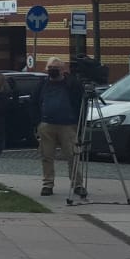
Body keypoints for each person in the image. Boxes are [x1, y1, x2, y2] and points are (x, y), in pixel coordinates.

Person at [34, 56, 86, 197]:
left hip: (68, 125)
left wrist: (79, 123)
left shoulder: (72, 84)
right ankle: (47, 184)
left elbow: (80, 104)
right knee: (46, 156)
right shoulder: (42, 84)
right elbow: (34, 102)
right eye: (50, 68)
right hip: (46, 124)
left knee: (73, 156)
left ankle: (77, 184)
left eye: (55, 68)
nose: (52, 70)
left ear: (62, 69)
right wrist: (37, 122)